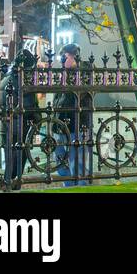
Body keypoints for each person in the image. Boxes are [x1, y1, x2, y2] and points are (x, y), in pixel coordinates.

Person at [53, 44, 93, 186]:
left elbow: (80, 95)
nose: (62, 61)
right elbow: (58, 98)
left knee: (78, 166)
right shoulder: (64, 73)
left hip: (77, 126)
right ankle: (70, 187)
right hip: (60, 126)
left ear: (73, 56)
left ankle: (81, 188)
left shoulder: (84, 72)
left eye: (64, 57)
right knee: (60, 164)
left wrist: (73, 71)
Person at [0, 50, 38, 188]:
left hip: (7, 126)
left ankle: (9, 184)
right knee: (17, 160)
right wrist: (37, 117)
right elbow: (26, 106)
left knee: (11, 160)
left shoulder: (6, 78)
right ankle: (9, 184)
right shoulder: (18, 81)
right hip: (18, 126)